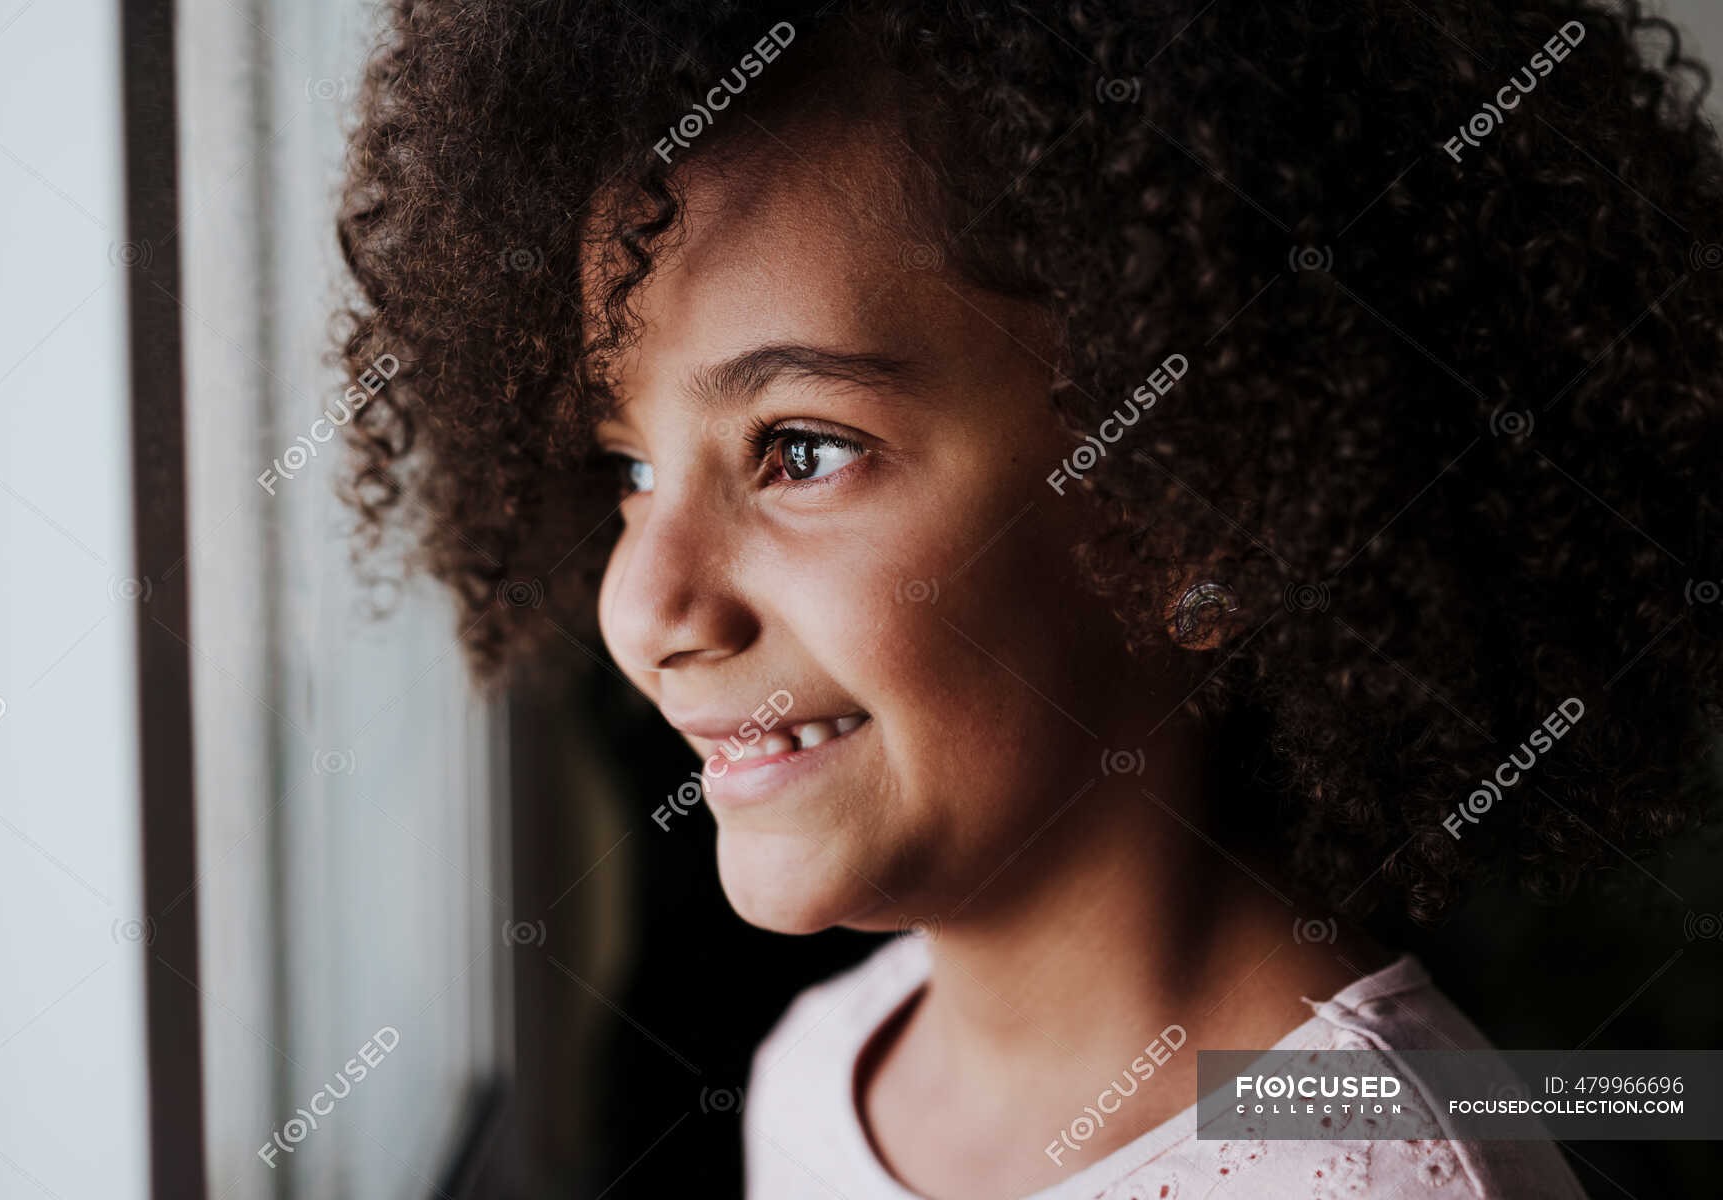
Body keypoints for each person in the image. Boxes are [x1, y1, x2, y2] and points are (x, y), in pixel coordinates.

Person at [333, 2, 1723, 1196]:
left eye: (801, 452)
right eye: (629, 466)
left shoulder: (1370, 1168)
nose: (645, 605)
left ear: (1201, 516)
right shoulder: (827, 1070)